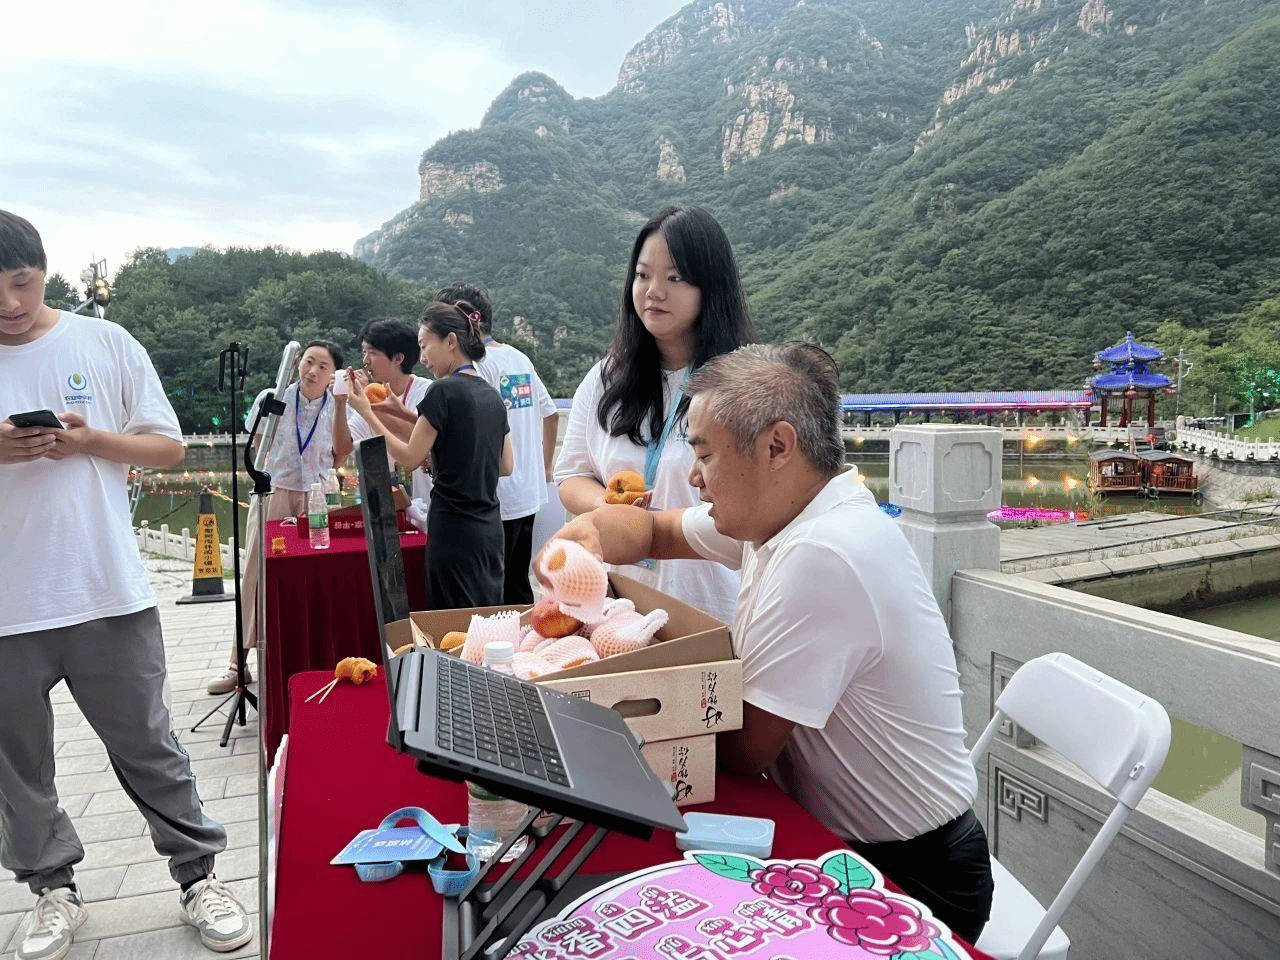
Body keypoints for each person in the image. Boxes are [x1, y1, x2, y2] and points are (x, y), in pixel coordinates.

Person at [544, 341, 993, 943]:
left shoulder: (824, 552)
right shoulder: (788, 512)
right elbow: (655, 530)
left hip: (908, 872)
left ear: (777, 447)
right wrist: (589, 536)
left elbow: (740, 751)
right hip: (844, 836)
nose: (694, 478)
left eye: (704, 455)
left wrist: (613, 690)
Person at [0, 209, 253, 958]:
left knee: (148, 743)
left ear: (45, 272)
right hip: (6, 606)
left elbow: (167, 448)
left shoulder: (103, 341)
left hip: (103, 587)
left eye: (21, 284)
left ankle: (199, 877)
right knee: (15, 763)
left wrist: (88, 442)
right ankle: (52, 889)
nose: (10, 304)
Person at [554, 205, 755, 623]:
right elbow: (571, 475)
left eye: (674, 278)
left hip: (710, 608)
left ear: (710, 285)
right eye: (643, 275)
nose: (653, 292)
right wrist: (611, 510)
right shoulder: (605, 379)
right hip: (615, 606)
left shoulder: (741, 383)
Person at [206, 339, 353, 694]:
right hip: (274, 490)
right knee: (256, 573)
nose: (312, 371)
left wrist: (341, 404)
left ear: (334, 375)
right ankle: (238, 663)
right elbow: (259, 446)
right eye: (308, 361)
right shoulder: (272, 398)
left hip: (319, 495)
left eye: (323, 366)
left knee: (317, 573)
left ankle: (312, 657)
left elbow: (341, 454)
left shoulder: (340, 405)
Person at [347, 300, 513, 609]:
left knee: (450, 620)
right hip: (489, 529)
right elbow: (505, 465)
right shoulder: (491, 394)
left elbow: (409, 458)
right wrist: (407, 417)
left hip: (452, 526)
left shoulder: (442, 390)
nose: (422, 358)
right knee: (485, 617)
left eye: (425, 346)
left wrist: (367, 412)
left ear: (450, 341)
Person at [437, 282, 558, 604]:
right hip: (528, 493)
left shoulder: (473, 366)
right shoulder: (519, 358)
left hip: (493, 498)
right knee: (518, 586)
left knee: (488, 595)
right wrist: (544, 468)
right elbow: (551, 415)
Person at [345, 316, 433, 505]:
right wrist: (338, 402)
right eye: (364, 352)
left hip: (430, 502)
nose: (365, 361)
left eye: (372, 353)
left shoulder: (428, 393)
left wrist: (369, 410)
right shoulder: (368, 397)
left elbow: (424, 443)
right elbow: (344, 449)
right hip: (394, 509)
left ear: (398, 358)